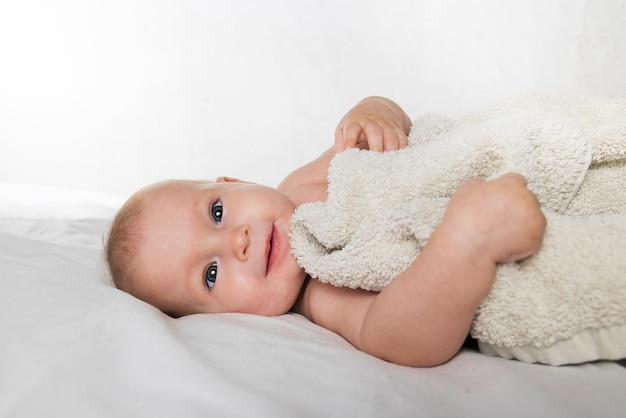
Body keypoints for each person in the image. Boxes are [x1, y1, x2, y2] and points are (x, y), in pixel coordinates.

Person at [105, 96, 546, 367]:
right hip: (493, 216)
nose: (236, 241)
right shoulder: (317, 289)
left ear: (234, 183)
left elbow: (396, 138)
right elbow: (395, 337)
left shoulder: (301, 182)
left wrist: (376, 112)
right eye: (211, 274)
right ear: (222, 320)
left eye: (217, 213)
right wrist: (466, 242)